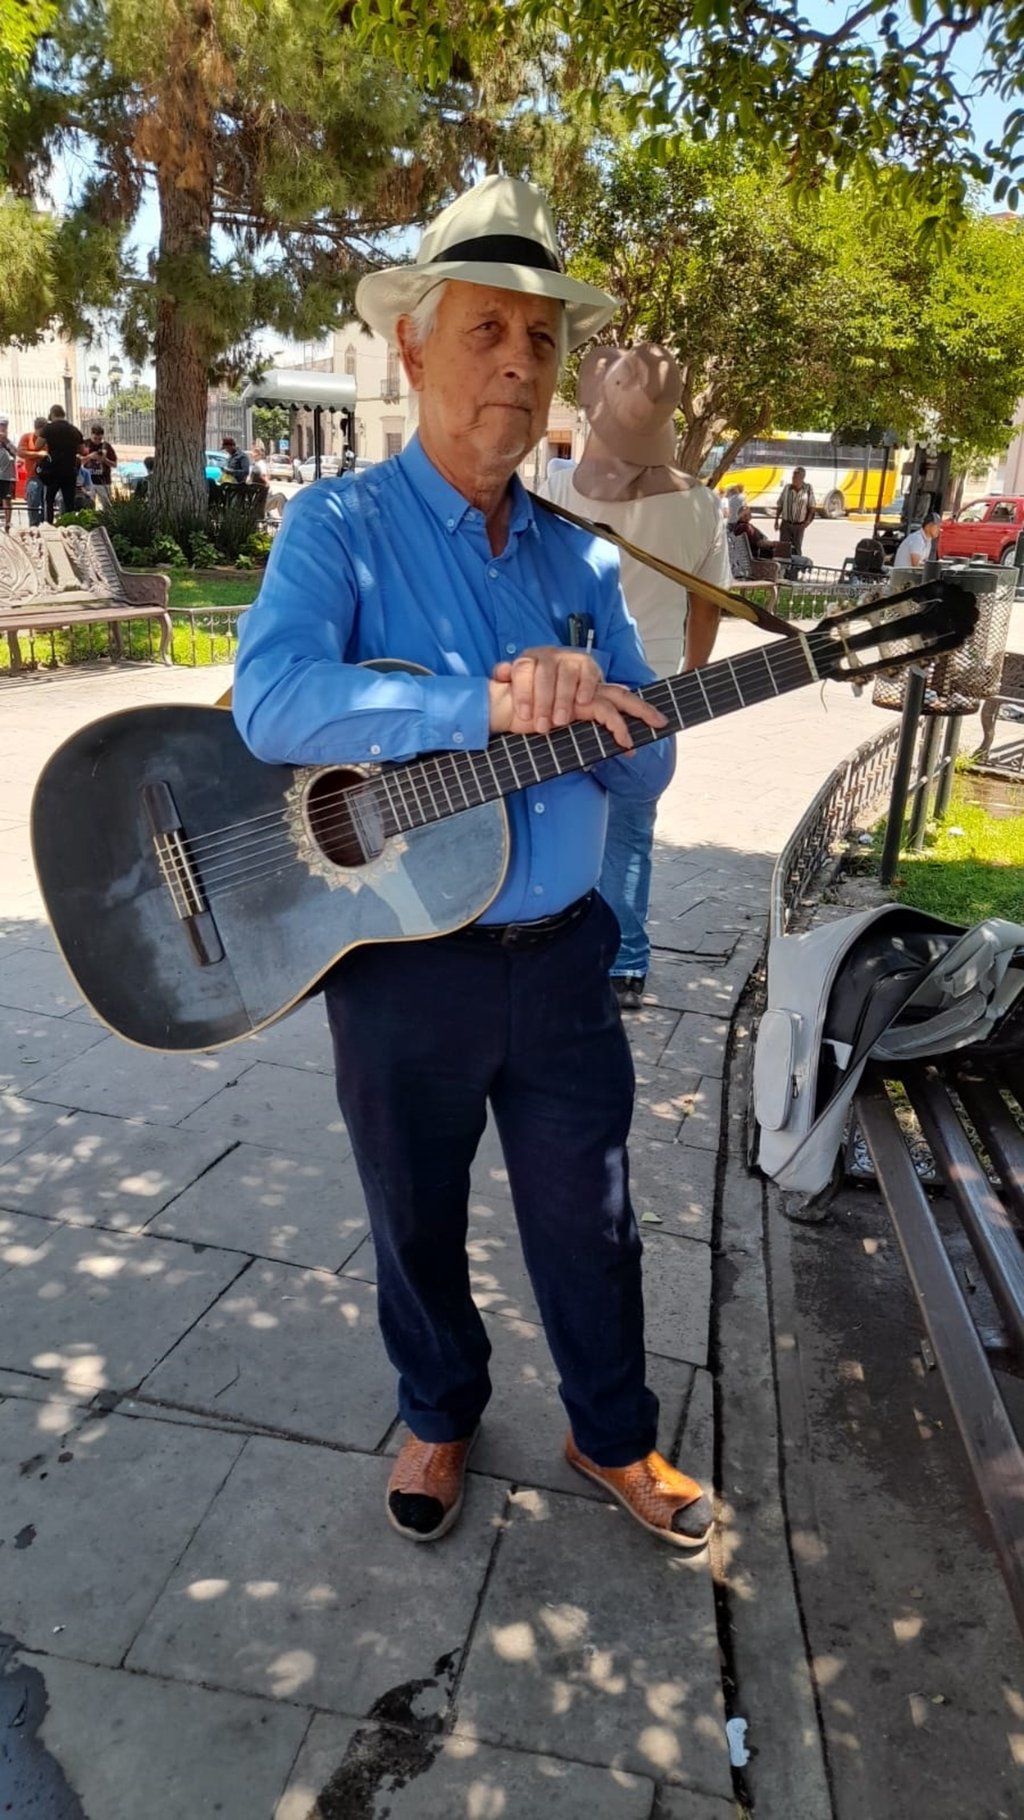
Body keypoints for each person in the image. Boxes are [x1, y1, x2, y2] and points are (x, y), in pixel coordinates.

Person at [232, 174, 713, 1551]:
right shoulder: (337, 530)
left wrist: (606, 717)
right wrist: (484, 704)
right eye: (489, 329)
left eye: (542, 340)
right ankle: (439, 1412)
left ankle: (611, 1435)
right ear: (412, 346)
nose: (519, 362)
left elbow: (652, 767)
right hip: (397, 966)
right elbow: (271, 700)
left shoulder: (583, 556)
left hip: (560, 962)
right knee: (413, 1218)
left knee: (596, 1221)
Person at [542, 343, 728, 1009]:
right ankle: (625, 963)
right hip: (653, 685)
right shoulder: (703, 505)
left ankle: (557, 947)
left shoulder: (558, 485)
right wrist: (693, 681)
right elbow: (708, 605)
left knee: (557, 813)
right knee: (630, 830)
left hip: (563, 681)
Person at [41, 404, 83, 523]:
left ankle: (48, 525)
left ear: (53, 414)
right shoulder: (74, 430)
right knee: (69, 501)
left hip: (53, 471)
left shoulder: (48, 428)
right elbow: (83, 450)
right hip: (69, 470)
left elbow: (38, 444)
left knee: (49, 499)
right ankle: (69, 525)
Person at [774, 465, 816, 556]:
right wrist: (776, 520)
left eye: (796, 477)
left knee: (797, 548)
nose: (793, 479)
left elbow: (812, 506)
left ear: (802, 478)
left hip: (799, 525)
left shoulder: (808, 489)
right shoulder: (787, 488)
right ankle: (784, 568)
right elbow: (780, 504)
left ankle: (795, 568)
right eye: (793, 477)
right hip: (786, 524)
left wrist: (807, 521)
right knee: (784, 548)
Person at [17, 417, 49, 526]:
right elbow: (20, 452)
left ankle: (46, 524)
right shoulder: (27, 437)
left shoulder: (48, 439)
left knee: (47, 503)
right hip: (33, 475)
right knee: (33, 501)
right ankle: (34, 525)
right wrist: (38, 454)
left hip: (47, 476)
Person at [81, 423, 118, 507]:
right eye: (95, 438)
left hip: (104, 481)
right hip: (89, 482)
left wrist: (104, 460)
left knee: (107, 506)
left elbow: (114, 464)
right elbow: (78, 462)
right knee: (88, 506)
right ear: (91, 434)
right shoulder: (85, 444)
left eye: (99, 438)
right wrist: (90, 457)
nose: (97, 441)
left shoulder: (106, 446)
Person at [0, 418, 17, 532]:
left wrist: (6, 441)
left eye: (5, 426)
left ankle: (7, 523)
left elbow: (17, 453)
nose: (3, 428)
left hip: (7, 476)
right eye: (1, 425)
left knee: (7, 499)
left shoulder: (11, 440)